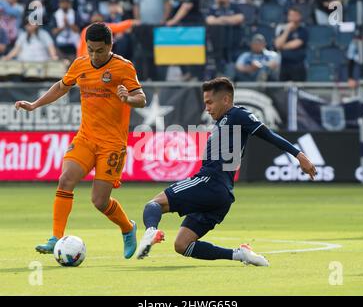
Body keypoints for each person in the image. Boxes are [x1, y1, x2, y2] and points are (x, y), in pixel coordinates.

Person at [136, 77, 316, 265]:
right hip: (222, 195)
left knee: (154, 204)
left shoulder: (238, 115)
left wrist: (299, 155)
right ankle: (241, 255)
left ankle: (150, 232)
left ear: (226, 100)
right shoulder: (222, 122)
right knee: (182, 245)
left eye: (209, 102)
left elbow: (268, 135)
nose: (207, 108)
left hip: (210, 182)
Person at [14, 22, 146, 259]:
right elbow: (61, 87)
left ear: (110, 46)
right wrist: (34, 105)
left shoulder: (123, 67)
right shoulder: (80, 63)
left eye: (99, 51)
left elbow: (142, 98)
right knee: (65, 179)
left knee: (99, 200)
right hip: (86, 137)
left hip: (112, 144)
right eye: (91, 50)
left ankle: (128, 227)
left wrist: (128, 99)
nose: (94, 55)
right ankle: (55, 238)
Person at [274, 7, 308, 81]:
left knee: (299, 89)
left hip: (298, 65)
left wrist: (282, 46)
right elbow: (277, 45)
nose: (292, 17)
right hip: (284, 64)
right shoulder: (283, 30)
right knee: (282, 90)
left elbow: (295, 44)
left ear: (299, 16)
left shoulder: (303, 31)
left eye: (295, 15)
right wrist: (287, 30)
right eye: (290, 15)